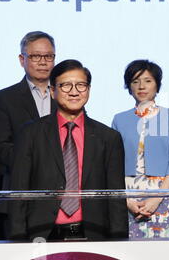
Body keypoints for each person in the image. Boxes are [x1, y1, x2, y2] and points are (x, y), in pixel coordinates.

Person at [8, 59, 128, 241]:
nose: (74, 92)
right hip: (42, 234)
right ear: (52, 91)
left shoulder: (108, 137)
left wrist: (119, 241)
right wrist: (18, 239)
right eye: (65, 86)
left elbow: (116, 198)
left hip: (94, 234)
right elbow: (19, 190)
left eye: (81, 85)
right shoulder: (31, 133)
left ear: (88, 90)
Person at [0, 31, 58, 231]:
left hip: (64, 200)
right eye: (36, 56)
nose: (43, 62)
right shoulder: (5, 98)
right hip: (22, 197)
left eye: (49, 56)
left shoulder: (67, 94)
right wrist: (38, 167)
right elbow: (2, 146)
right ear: (22, 59)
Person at [112, 60, 169, 239]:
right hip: (129, 193)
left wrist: (156, 198)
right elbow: (113, 164)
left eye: (147, 81)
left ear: (157, 85)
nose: (141, 86)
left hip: (163, 192)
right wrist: (127, 200)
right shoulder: (119, 119)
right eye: (135, 81)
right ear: (129, 87)